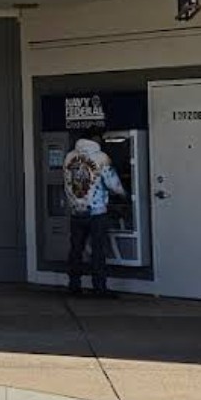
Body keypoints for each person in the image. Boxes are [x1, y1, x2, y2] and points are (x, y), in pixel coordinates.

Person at [62, 126, 126, 297]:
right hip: (97, 212)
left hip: (76, 211)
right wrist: (124, 195)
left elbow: (67, 182)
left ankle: (74, 285)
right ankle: (99, 287)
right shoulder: (101, 157)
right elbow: (113, 184)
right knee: (98, 250)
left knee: (76, 250)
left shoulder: (69, 157)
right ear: (96, 139)